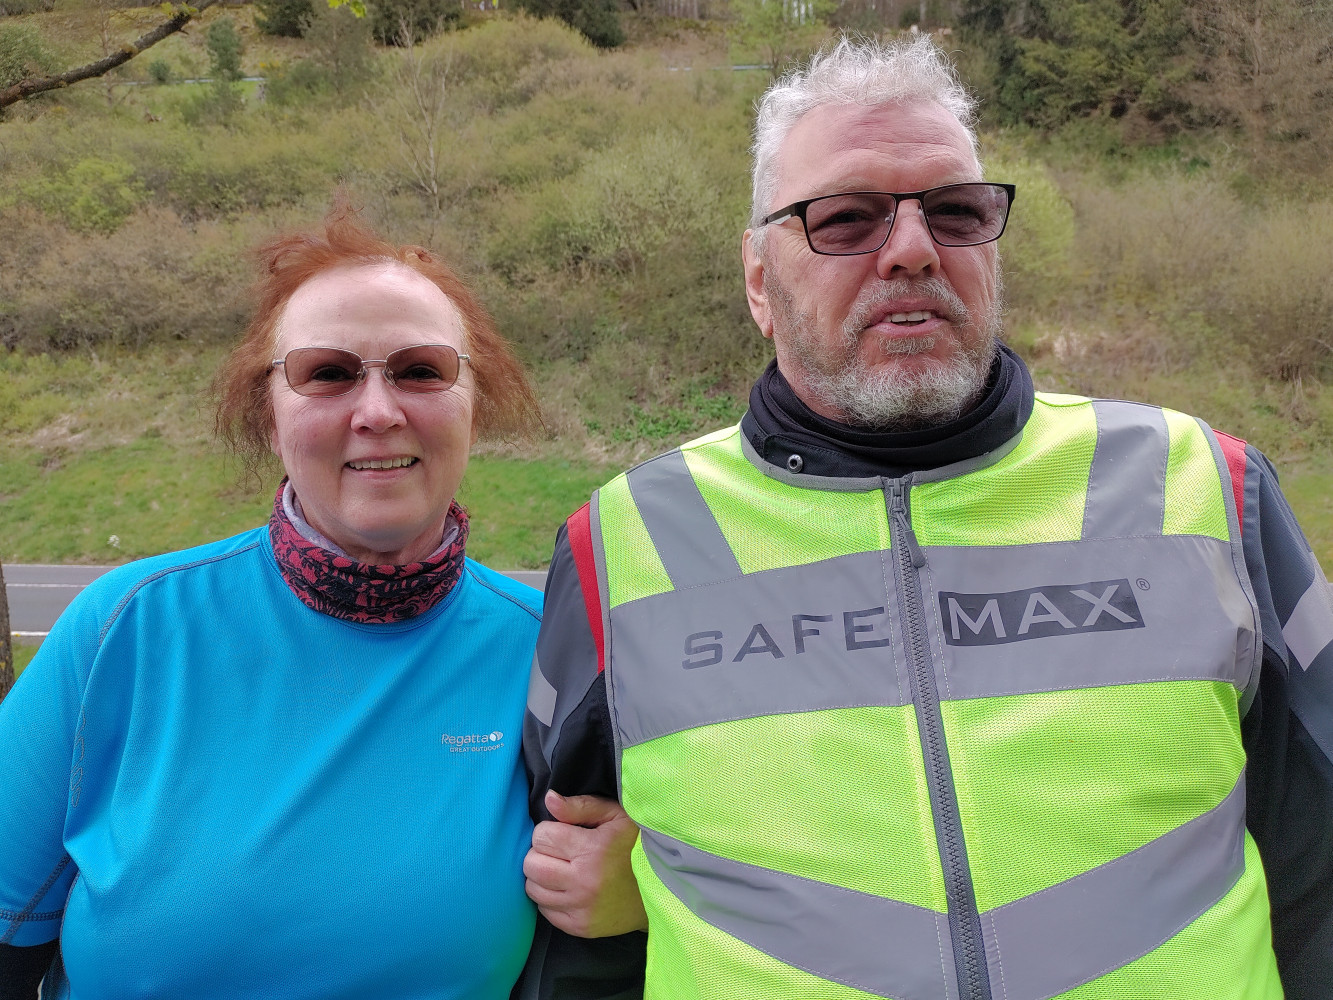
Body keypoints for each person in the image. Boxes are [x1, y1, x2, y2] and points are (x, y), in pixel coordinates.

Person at [519, 35, 1333, 1000]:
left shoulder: (1207, 485)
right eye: (844, 219)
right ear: (758, 282)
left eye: (954, 212)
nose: (911, 250)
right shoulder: (618, 542)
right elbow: (569, 927)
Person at [0, 203, 545, 998]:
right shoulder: (126, 628)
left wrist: (625, 892)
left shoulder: (548, 654)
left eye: (421, 370)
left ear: (475, 399)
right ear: (268, 411)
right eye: (326, 373)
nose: (378, 411)